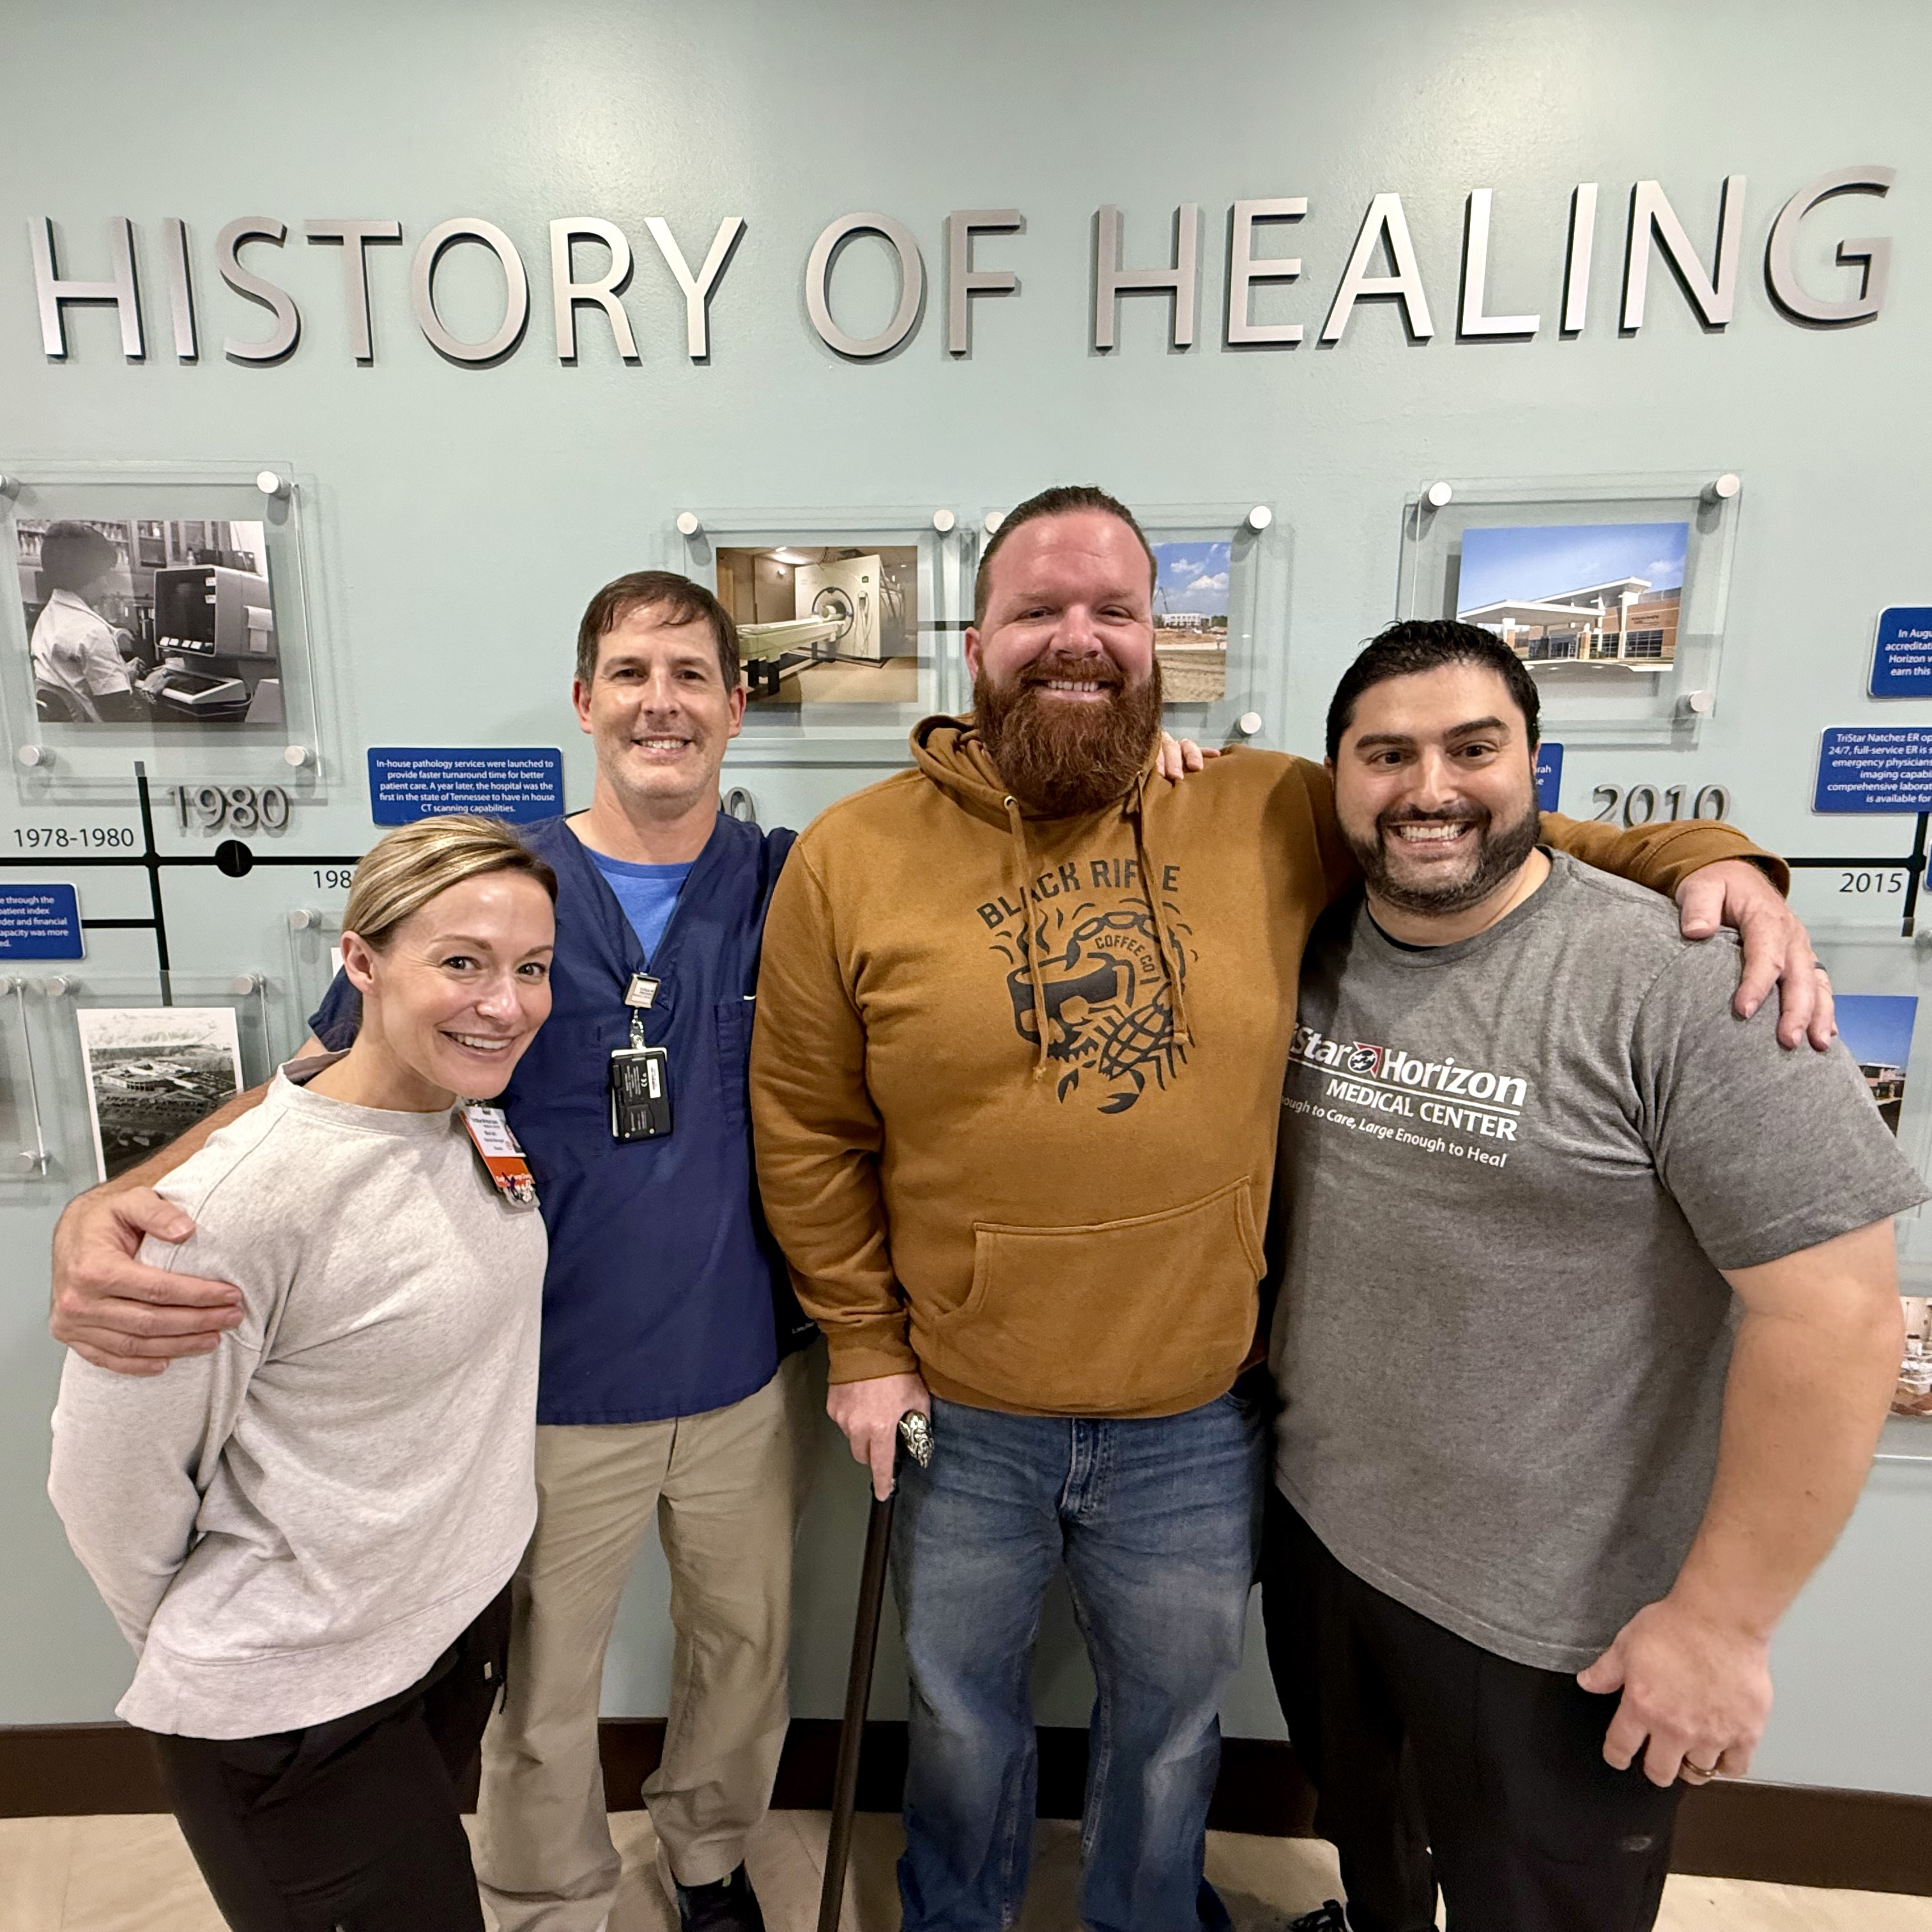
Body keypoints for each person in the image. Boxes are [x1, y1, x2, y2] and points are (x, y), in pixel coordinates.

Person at [747, 484, 1829, 1932]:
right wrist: (866, 1347)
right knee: (956, 1722)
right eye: (1039, 611)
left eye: (1114, 612)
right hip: (966, 1412)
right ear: (976, 638)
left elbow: (1484, 833)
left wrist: (1720, 865)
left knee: (1175, 1734)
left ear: (1160, 641)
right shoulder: (849, 858)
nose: (1079, 639)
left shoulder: (1257, 804)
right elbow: (810, 1130)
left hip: (1197, 1419)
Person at [49, 572, 818, 1932]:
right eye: (631, 672)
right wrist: (110, 1202)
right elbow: (312, 1077)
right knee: (544, 1688)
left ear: (735, 707)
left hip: (744, 1373)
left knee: (746, 1659)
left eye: (693, 674)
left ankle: (708, 1865)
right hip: (541, 1394)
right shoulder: (498, 898)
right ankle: (549, 1897)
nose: (662, 701)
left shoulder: (794, 886)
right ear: (584, 701)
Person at [1261, 621, 1924, 1932]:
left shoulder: (1686, 981)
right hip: (1319, 1543)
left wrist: (1724, 1625)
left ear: (1537, 768)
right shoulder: (1313, 946)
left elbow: (1837, 1316)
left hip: (1558, 1619)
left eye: (1472, 748)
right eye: (1386, 755)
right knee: (1375, 1864)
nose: (1430, 788)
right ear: (1338, 785)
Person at [47, 815, 558, 1932]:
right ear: (361, 960)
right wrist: (241, 1646)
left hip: (430, 1642)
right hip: (293, 1698)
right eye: (460, 961)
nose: (504, 1001)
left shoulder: (466, 1111)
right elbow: (105, 1481)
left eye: (530, 967)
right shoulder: (237, 1207)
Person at [30, 521, 143, 722]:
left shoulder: (48, 616)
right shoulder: (92, 631)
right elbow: (122, 716)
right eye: (103, 576)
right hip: (104, 742)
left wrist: (122, 675)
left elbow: (75, 681)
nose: (106, 584)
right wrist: (150, 688)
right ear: (89, 576)